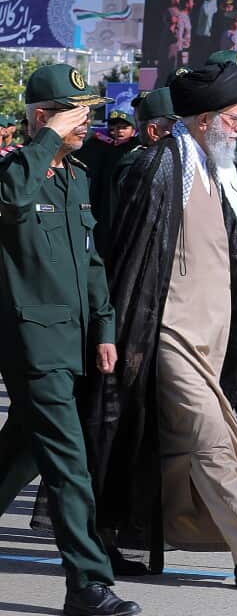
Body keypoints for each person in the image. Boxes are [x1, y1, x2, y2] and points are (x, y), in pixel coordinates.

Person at [97, 61, 237, 585]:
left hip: (208, 338)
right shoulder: (160, 166)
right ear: (206, 119)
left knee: (175, 449)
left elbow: (232, 245)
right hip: (165, 333)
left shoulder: (208, 165)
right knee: (210, 437)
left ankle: (115, 539)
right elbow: (126, 255)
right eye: (235, 117)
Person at [0, 64, 143, 616]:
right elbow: (12, 201)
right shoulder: (16, 172)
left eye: (88, 113)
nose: (86, 123)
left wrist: (104, 327)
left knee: (22, 451)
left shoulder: (76, 176)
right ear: (42, 117)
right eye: (73, 113)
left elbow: (90, 261)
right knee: (68, 463)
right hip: (33, 342)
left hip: (75, 340)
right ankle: (87, 583)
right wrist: (45, 142)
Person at [79, 108, 139, 258]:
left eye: (123, 127)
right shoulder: (102, 147)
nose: (118, 131)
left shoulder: (137, 150)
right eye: (113, 128)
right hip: (102, 210)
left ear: (133, 129)